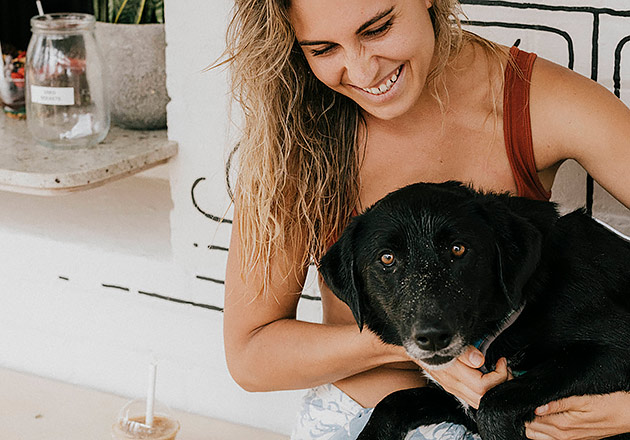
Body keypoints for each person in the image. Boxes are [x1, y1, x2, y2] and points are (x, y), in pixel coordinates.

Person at [221, 0, 630, 438]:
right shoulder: (295, 141)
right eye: (323, 49)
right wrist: (409, 340)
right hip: (365, 421)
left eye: (378, 29)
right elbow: (251, 356)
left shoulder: (537, 100)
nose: (362, 72)